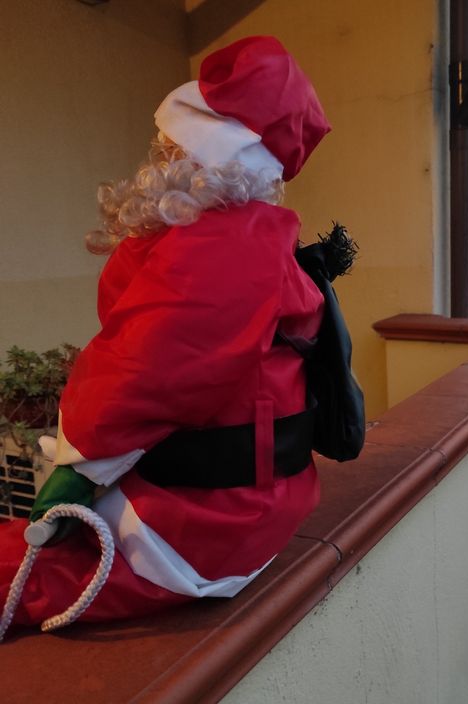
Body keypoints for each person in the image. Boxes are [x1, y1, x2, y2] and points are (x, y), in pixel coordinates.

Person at [0, 35, 331, 627]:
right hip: (245, 509)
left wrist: (78, 471)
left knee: (18, 575)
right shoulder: (253, 239)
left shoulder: (223, 244)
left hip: (196, 528)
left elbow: (150, 369)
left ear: (205, 159)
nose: (159, 155)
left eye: (172, 146)